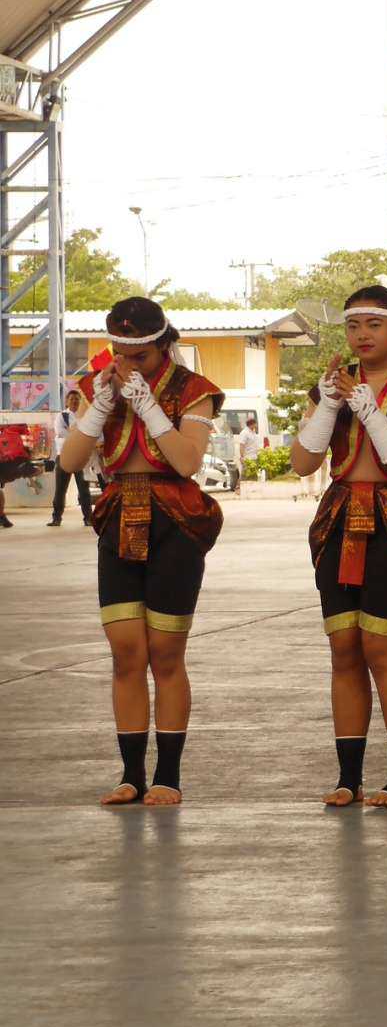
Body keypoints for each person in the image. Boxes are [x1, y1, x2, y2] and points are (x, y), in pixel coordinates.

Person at [289, 287, 387, 809]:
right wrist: (328, 406)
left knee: (383, 650)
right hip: (340, 519)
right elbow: (301, 463)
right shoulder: (332, 385)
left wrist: (368, 409)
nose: (362, 335)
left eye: (374, 324)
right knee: (343, 650)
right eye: (354, 325)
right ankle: (348, 778)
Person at [57, 296, 224, 806]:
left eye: (141, 357)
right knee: (126, 652)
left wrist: (149, 406)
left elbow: (187, 462)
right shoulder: (96, 386)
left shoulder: (193, 389)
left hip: (174, 517)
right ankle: (131, 774)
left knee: (166, 654)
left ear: (162, 346)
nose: (130, 365)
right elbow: (70, 461)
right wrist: (100, 407)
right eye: (121, 355)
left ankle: (168, 775)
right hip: (117, 515)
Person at [50, 390, 99, 525]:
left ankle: (88, 518)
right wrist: (79, 437)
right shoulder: (62, 416)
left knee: (84, 490)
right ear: (66, 401)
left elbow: (89, 433)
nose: (74, 401)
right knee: (60, 489)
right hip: (63, 456)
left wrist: (76, 436)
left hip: (81, 456)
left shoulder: (85, 416)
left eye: (77, 399)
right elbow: (61, 432)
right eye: (71, 399)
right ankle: (56, 518)